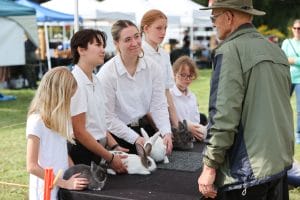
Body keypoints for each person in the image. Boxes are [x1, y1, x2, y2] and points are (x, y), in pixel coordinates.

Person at [198, 0, 294, 199]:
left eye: (213, 17)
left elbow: (223, 116)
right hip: (277, 163)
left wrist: (210, 165)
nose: (213, 23)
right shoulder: (276, 51)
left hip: (247, 171)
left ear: (229, 17)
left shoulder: (230, 50)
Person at [96, 20, 173, 155]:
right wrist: (135, 138)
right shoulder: (106, 74)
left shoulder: (153, 67)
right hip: (120, 138)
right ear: (116, 43)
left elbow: (159, 105)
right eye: (127, 39)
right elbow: (108, 118)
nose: (134, 43)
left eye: (137, 36)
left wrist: (166, 132)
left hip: (147, 130)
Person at [68, 29, 127, 174]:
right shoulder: (75, 83)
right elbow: (79, 131)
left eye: (103, 46)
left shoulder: (96, 80)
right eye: (97, 45)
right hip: (82, 153)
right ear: (81, 50)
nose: (103, 50)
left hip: (98, 150)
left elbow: (99, 122)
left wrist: (114, 147)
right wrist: (110, 157)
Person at [26, 67, 89, 200]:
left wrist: (76, 172)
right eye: (68, 98)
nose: (69, 103)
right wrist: (65, 183)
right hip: (45, 191)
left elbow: (61, 151)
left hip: (61, 185)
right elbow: (32, 166)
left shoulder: (60, 119)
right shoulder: (36, 121)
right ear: (59, 96)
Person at [140, 9, 179, 129]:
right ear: (146, 28)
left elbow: (166, 91)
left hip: (162, 116)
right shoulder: (139, 54)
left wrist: (177, 126)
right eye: (159, 28)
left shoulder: (164, 54)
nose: (163, 32)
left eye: (165, 28)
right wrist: (162, 129)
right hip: (143, 121)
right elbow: (142, 98)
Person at [170, 55, 207, 141]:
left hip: (192, 140)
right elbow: (167, 121)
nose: (187, 79)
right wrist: (186, 127)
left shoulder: (192, 97)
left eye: (190, 76)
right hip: (177, 139)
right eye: (183, 75)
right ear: (175, 74)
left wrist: (199, 131)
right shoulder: (170, 95)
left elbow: (196, 120)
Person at [282, 19, 300, 144]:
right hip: (287, 78)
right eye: (295, 28)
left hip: (299, 80)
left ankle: (298, 134)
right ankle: (281, 131)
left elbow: (289, 59)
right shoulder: (287, 42)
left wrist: (292, 60)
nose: (297, 31)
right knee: (281, 105)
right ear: (292, 29)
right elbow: (282, 58)